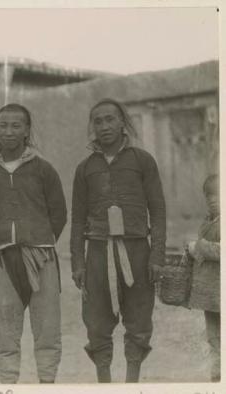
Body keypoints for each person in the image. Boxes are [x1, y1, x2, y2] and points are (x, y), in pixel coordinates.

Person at [70, 98, 166, 383]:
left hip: (137, 250)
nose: (104, 126)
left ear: (123, 122)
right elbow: (77, 220)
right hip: (98, 252)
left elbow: (158, 211)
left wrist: (157, 256)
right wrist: (78, 262)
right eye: (98, 121)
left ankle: (131, 382)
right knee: (97, 322)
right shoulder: (85, 168)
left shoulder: (142, 161)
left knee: (138, 319)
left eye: (110, 119)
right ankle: (104, 383)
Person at [0, 103, 67, 384]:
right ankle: (8, 384)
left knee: (47, 329)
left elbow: (58, 213)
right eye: (3, 125)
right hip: (1, 260)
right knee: (5, 331)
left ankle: (47, 383)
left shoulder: (43, 170)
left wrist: (39, 241)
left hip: (41, 259)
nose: (9, 131)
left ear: (27, 131)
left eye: (16, 126)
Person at [187, 174, 220, 382]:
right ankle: (217, 371)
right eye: (209, 195)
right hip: (211, 291)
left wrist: (198, 247)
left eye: (218, 194)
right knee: (214, 334)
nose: (213, 199)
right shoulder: (208, 221)